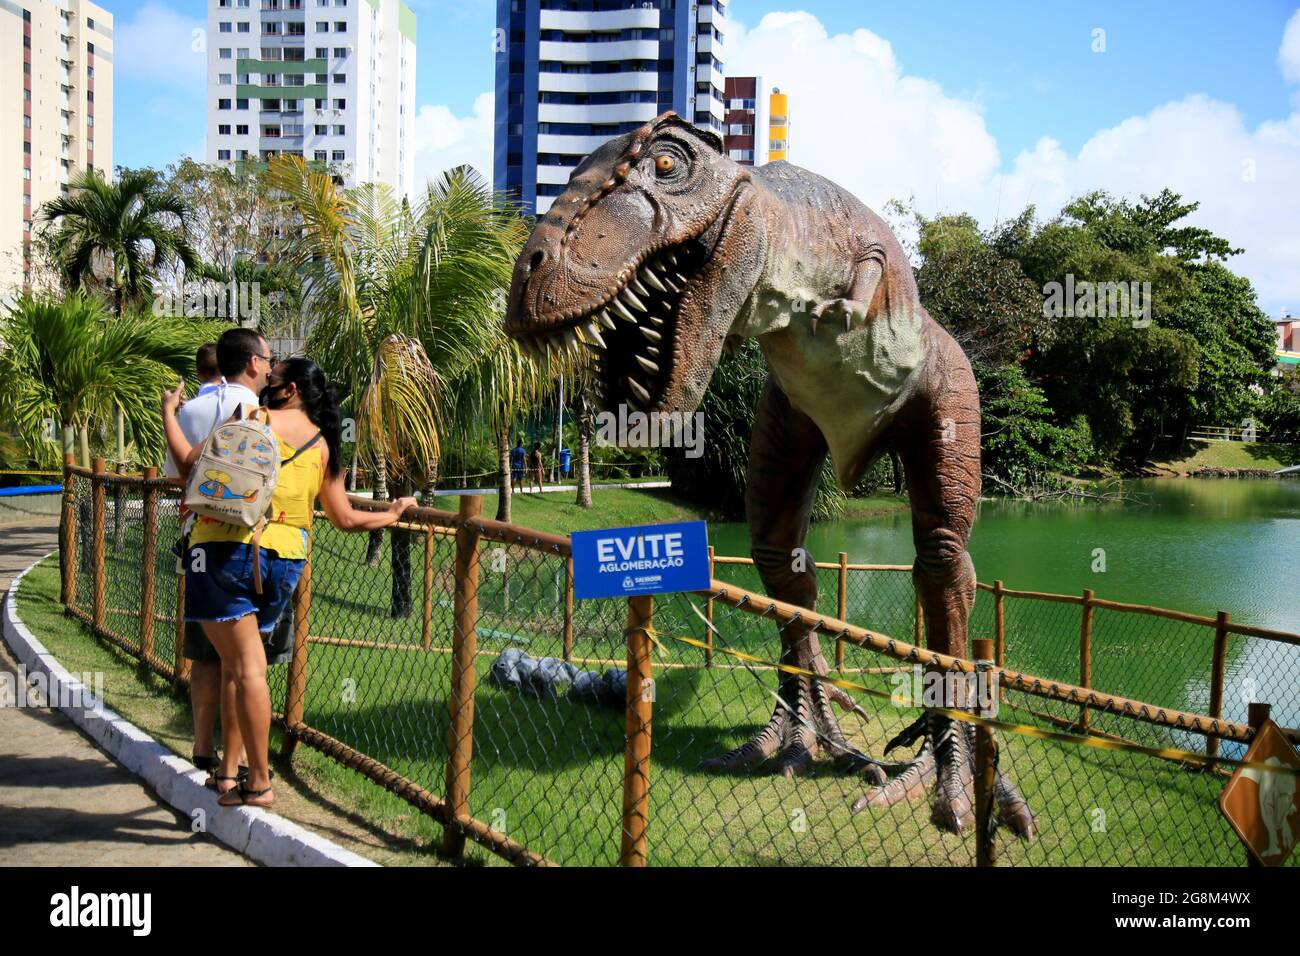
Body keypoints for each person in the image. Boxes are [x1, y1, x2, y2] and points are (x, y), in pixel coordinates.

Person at [162, 357, 417, 808]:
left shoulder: (253, 418)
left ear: (292, 389)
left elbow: (186, 465)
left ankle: (258, 782)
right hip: (285, 562)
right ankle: (228, 774)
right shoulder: (323, 446)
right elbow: (343, 517)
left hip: (225, 550)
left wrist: (168, 412)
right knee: (246, 667)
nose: (266, 383)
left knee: (245, 669)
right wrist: (391, 514)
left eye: (274, 380)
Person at [162, 329, 272, 790]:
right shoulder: (264, 413)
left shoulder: (190, 412)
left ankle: (204, 749)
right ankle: (240, 764)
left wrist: (170, 414)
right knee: (245, 660)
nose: (270, 366)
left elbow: (178, 475)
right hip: (250, 543)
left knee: (206, 654)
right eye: (267, 358)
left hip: (199, 542)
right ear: (250, 363)